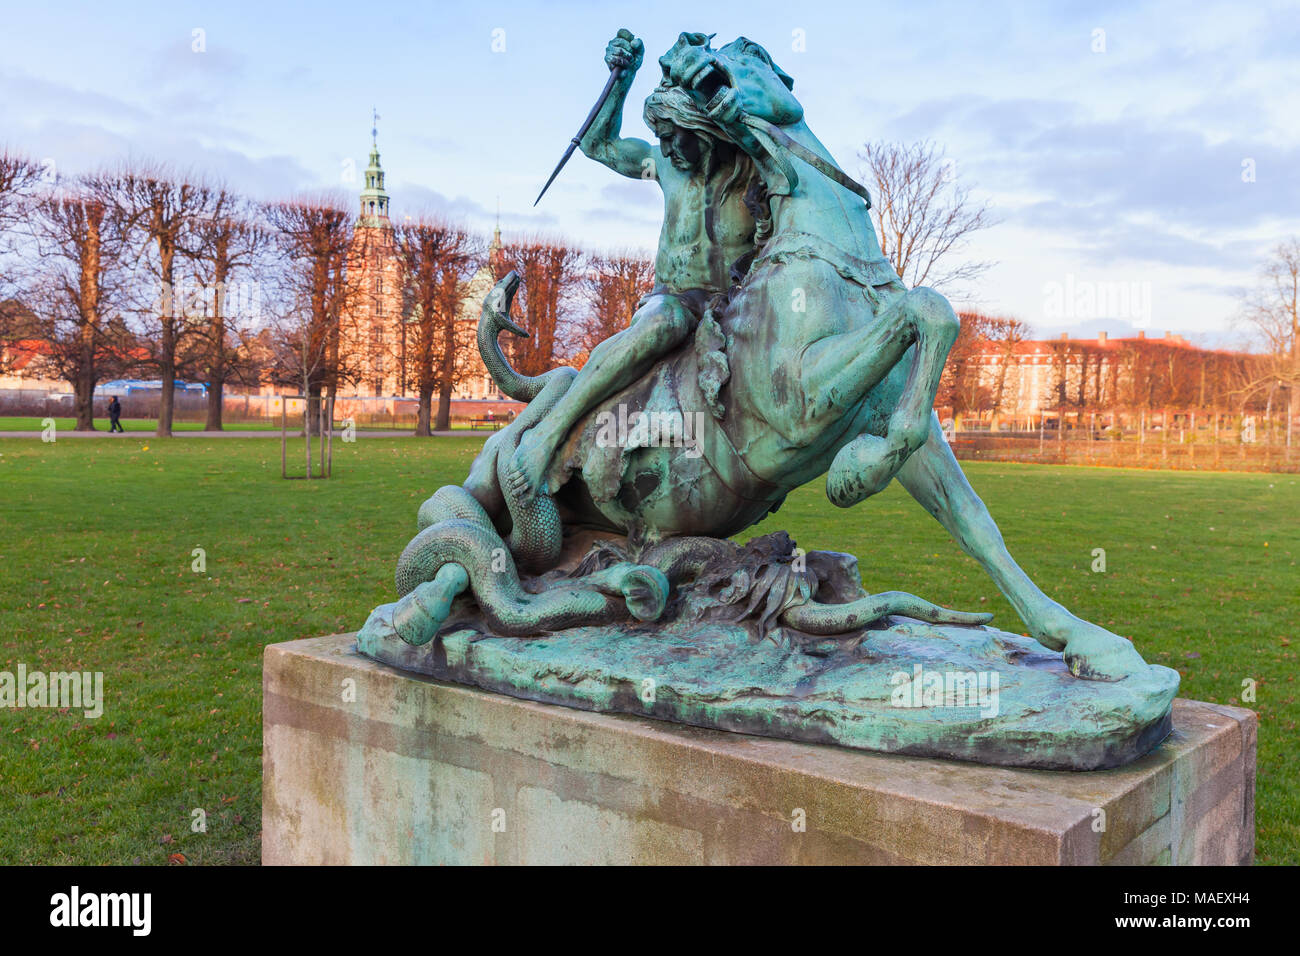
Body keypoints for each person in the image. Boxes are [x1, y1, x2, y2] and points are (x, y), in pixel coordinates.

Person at [507, 29, 759, 502]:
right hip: (674, 299)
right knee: (661, 321)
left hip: (735, 305)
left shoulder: (747, 168)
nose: (663, 149)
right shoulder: (664, 166)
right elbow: (599, 145)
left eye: (670, 137)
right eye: (658, 139)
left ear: (699, 127)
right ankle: (548, 435)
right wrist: (622, 79)